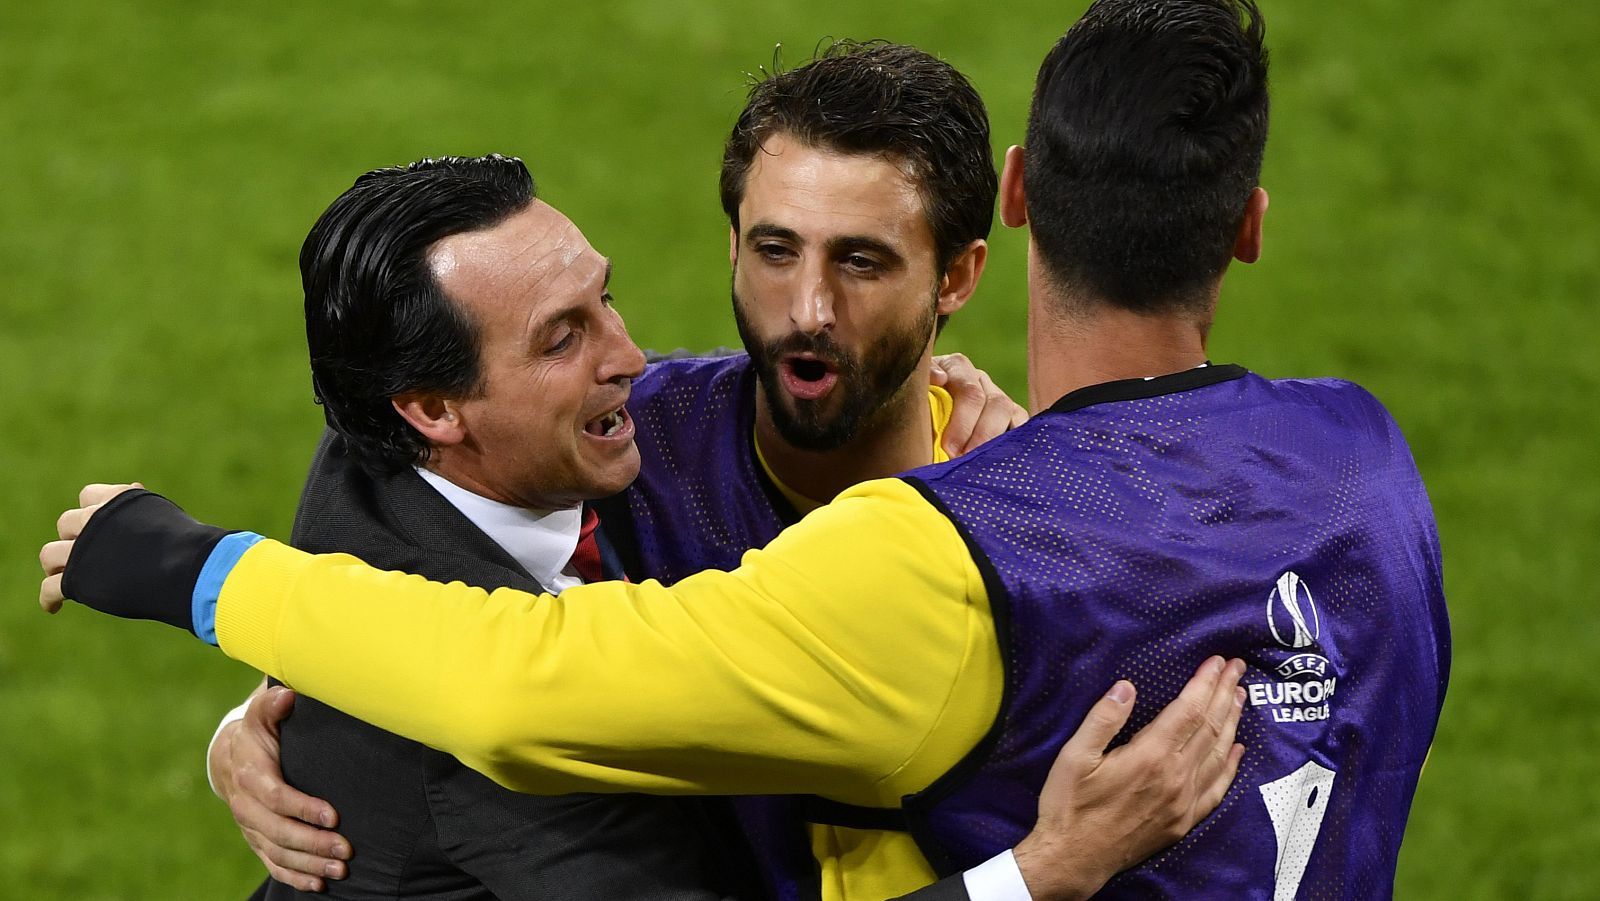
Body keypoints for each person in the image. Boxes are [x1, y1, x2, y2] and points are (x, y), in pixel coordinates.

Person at [43, 1, 1448, 898]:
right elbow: (414, 529)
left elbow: (513, 687)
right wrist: (272, 717)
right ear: (1246, 223)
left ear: (981, 248)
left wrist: (1040, 874)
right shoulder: (1361, 465)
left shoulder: (969, 543)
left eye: (859, 261)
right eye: (772, 252)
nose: (808, 309)